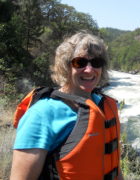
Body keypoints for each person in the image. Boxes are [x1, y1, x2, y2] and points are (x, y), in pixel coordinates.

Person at [10, 31, 123, 180]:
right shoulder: (42, 114)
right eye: (80, 62)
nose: (89, 70)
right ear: (66, 66)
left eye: (96, 63)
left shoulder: (103, 106)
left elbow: (113, 167)